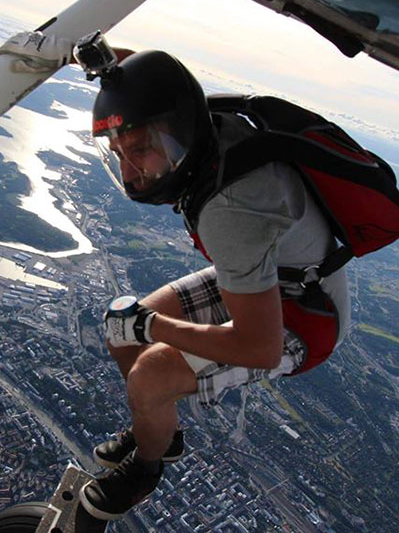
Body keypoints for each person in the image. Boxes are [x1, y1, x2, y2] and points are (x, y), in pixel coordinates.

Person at [77, 50, 352, 521]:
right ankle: (159, 431)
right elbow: (164, 85)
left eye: (139, 150)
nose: (128, 172)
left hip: (306, 319)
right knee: (120, 332)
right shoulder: (209, 127)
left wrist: (152, 326)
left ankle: (145, 469)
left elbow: (261, 349)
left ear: (176, 131)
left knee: (149, 372)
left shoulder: (231, 211)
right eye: (119, 152)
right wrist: (114, 70)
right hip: (276, 275)